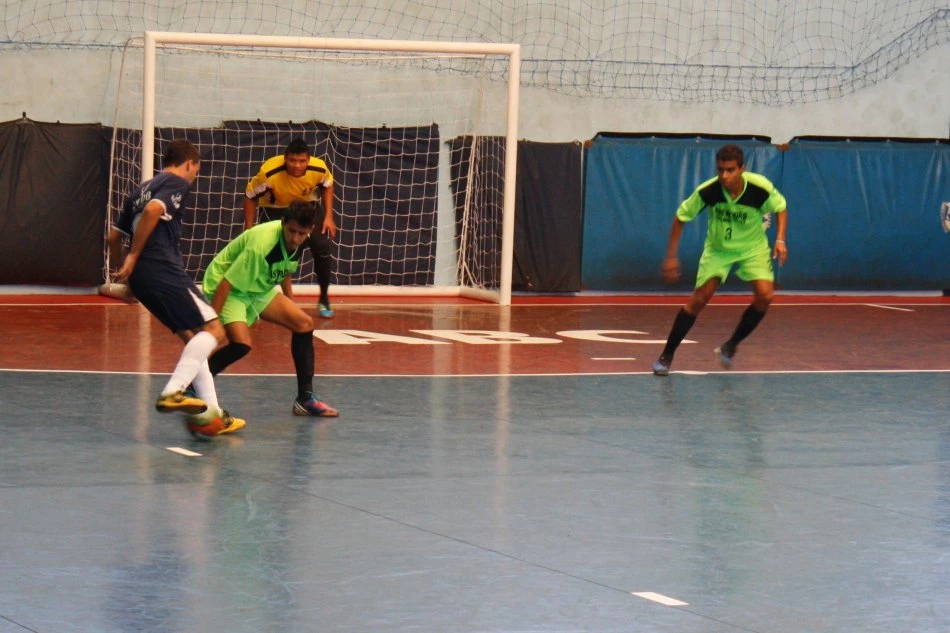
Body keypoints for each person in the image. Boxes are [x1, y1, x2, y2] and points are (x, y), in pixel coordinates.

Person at [107, 139, 246, 437]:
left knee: (192, 339)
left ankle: (212, 416)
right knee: (215, 330)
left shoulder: (139, 190)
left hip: (143, 279)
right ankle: (174, 390)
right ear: (190, 163)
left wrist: (129, 276)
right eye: (197, 169)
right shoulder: (176, 183)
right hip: (163, 268)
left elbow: (113, 238)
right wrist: (134, 256)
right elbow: (154, 211)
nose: (195, 175)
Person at [652, 144, 788, 375]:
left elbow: (781, 207)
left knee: (765, 295)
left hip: (752, 248)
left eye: (730, 170)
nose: (724, 176)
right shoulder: (709, 190)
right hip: (718, 250)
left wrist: (780, 239)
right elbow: (680, 217)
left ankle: (730, 346)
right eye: (721, 170)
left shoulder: (759, 187)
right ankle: (667, 354)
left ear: (742, 169)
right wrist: (671, 256)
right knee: (699, 299)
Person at [203, 200, 339, 417]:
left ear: (310, 230)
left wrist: (290, 302)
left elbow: (284, 268)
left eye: (301, 233)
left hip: (257, 285)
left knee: (303, 323)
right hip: (226, 285)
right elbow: (227, 282)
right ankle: (194, 386)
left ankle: (305, 399)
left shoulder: (301, 241)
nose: (295, 238)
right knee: (240, 344)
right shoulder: (262, 245)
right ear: (283, 223)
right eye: (291, 231)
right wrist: (213, 323)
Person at [244, 138, 338, 318]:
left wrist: (328, 216)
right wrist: (249, 229)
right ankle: (286, 301)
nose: (297, 165)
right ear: (285, 158)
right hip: (276, 209)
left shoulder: (319, 168)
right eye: (292, 160)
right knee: (279, 254)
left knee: (322, 247)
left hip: (307, 206)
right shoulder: (269, 172)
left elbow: (328, 185)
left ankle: (324, 298)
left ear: (308, 160)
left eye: (302, 161)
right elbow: (250, 195)